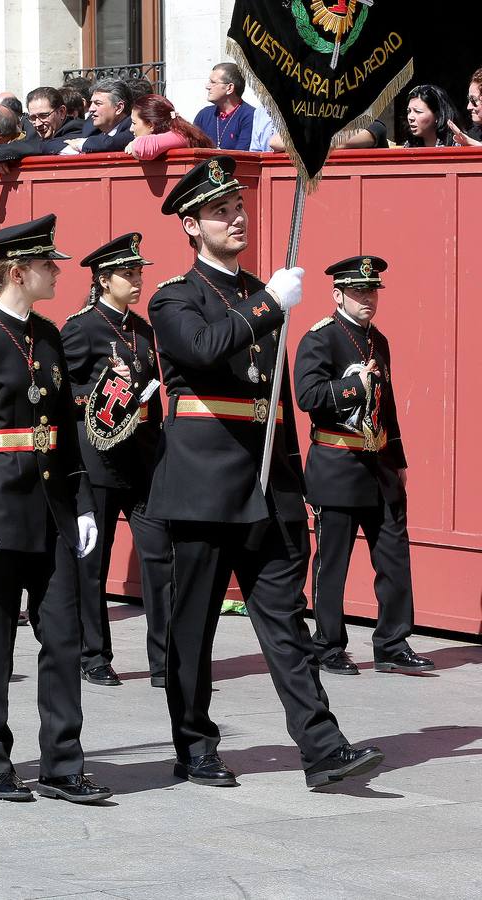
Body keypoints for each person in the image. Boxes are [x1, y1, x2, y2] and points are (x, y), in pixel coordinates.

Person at [148, 155, 384, 789]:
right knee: (193, 626)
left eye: (239, 208)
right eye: (221, 212)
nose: (237, 218)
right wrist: (268, 305)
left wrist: (290, 478)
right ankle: (195, 745)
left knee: (284, 622)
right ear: (191, 225)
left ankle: (322, 746)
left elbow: (273, 395)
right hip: (204, 484)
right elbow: (201, 349)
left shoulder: (261, 290)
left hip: (268, 483)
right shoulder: (174, 296)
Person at [0, 214, 109, 804]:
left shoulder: (48, 335)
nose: (55, 271)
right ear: (17, 271)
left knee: (64, 639)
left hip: (53, 512)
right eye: (47, 264)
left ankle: (63, 763)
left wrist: (84, 501)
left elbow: (67, 429)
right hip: (0, 514)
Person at [294, 255, 434, 676]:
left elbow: (386, 407)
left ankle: (392, 642)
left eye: (371, 291)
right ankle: (328, 643)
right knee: (332, 561)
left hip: (380, 466)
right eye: (358, 291)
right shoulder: (319, 338)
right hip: (337, 462)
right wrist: (356, 385)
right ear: (337, 294)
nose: (367, 298)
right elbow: (308, 396)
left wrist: (400, 461)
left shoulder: (380, 341)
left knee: (393, 556)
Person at [57, 234, 171, 688]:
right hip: (98, 460)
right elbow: (61, 393)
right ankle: (94, 655)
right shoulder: (81, 328)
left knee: (160, 559)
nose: (138, 280)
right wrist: (101, 390)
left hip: (142, 462)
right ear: (103, 280)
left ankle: (165, 662)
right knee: (92, 564)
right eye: (129, 273)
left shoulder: (142, 330)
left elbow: (154, 395)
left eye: (140, 272)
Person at [126, 94, 215, 161]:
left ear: (150, 125)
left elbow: (142, 147)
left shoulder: (179, 135)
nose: (131, 129)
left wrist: (134, 144)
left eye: (134, 123)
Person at [193, 64, 255, 151]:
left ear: (229, 88)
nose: (207, 87)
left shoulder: (250, 116)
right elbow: (193, 149)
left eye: (213, 82)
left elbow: (242, 156)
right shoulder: (204, 115)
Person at [68, 78, 134, 153]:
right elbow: (58, 141)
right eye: (92, 103)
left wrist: (82, 144)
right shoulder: (91, 127)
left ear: (119, 108)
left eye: (98, 103)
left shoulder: (133, 128)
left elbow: (110, 143)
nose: (91, 109)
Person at [26, 87, 85, 155]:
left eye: (43, 116)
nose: (37, 124)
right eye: (33, 118)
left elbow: (48, 145)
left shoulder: (75, 129)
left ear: (61, 112)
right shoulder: (32, 134)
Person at [448, 68, 482, 145]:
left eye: (474, 100)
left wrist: (470, 142)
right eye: (469, 100)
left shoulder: (469, 139)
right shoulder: (473, 135)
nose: (468, 107)